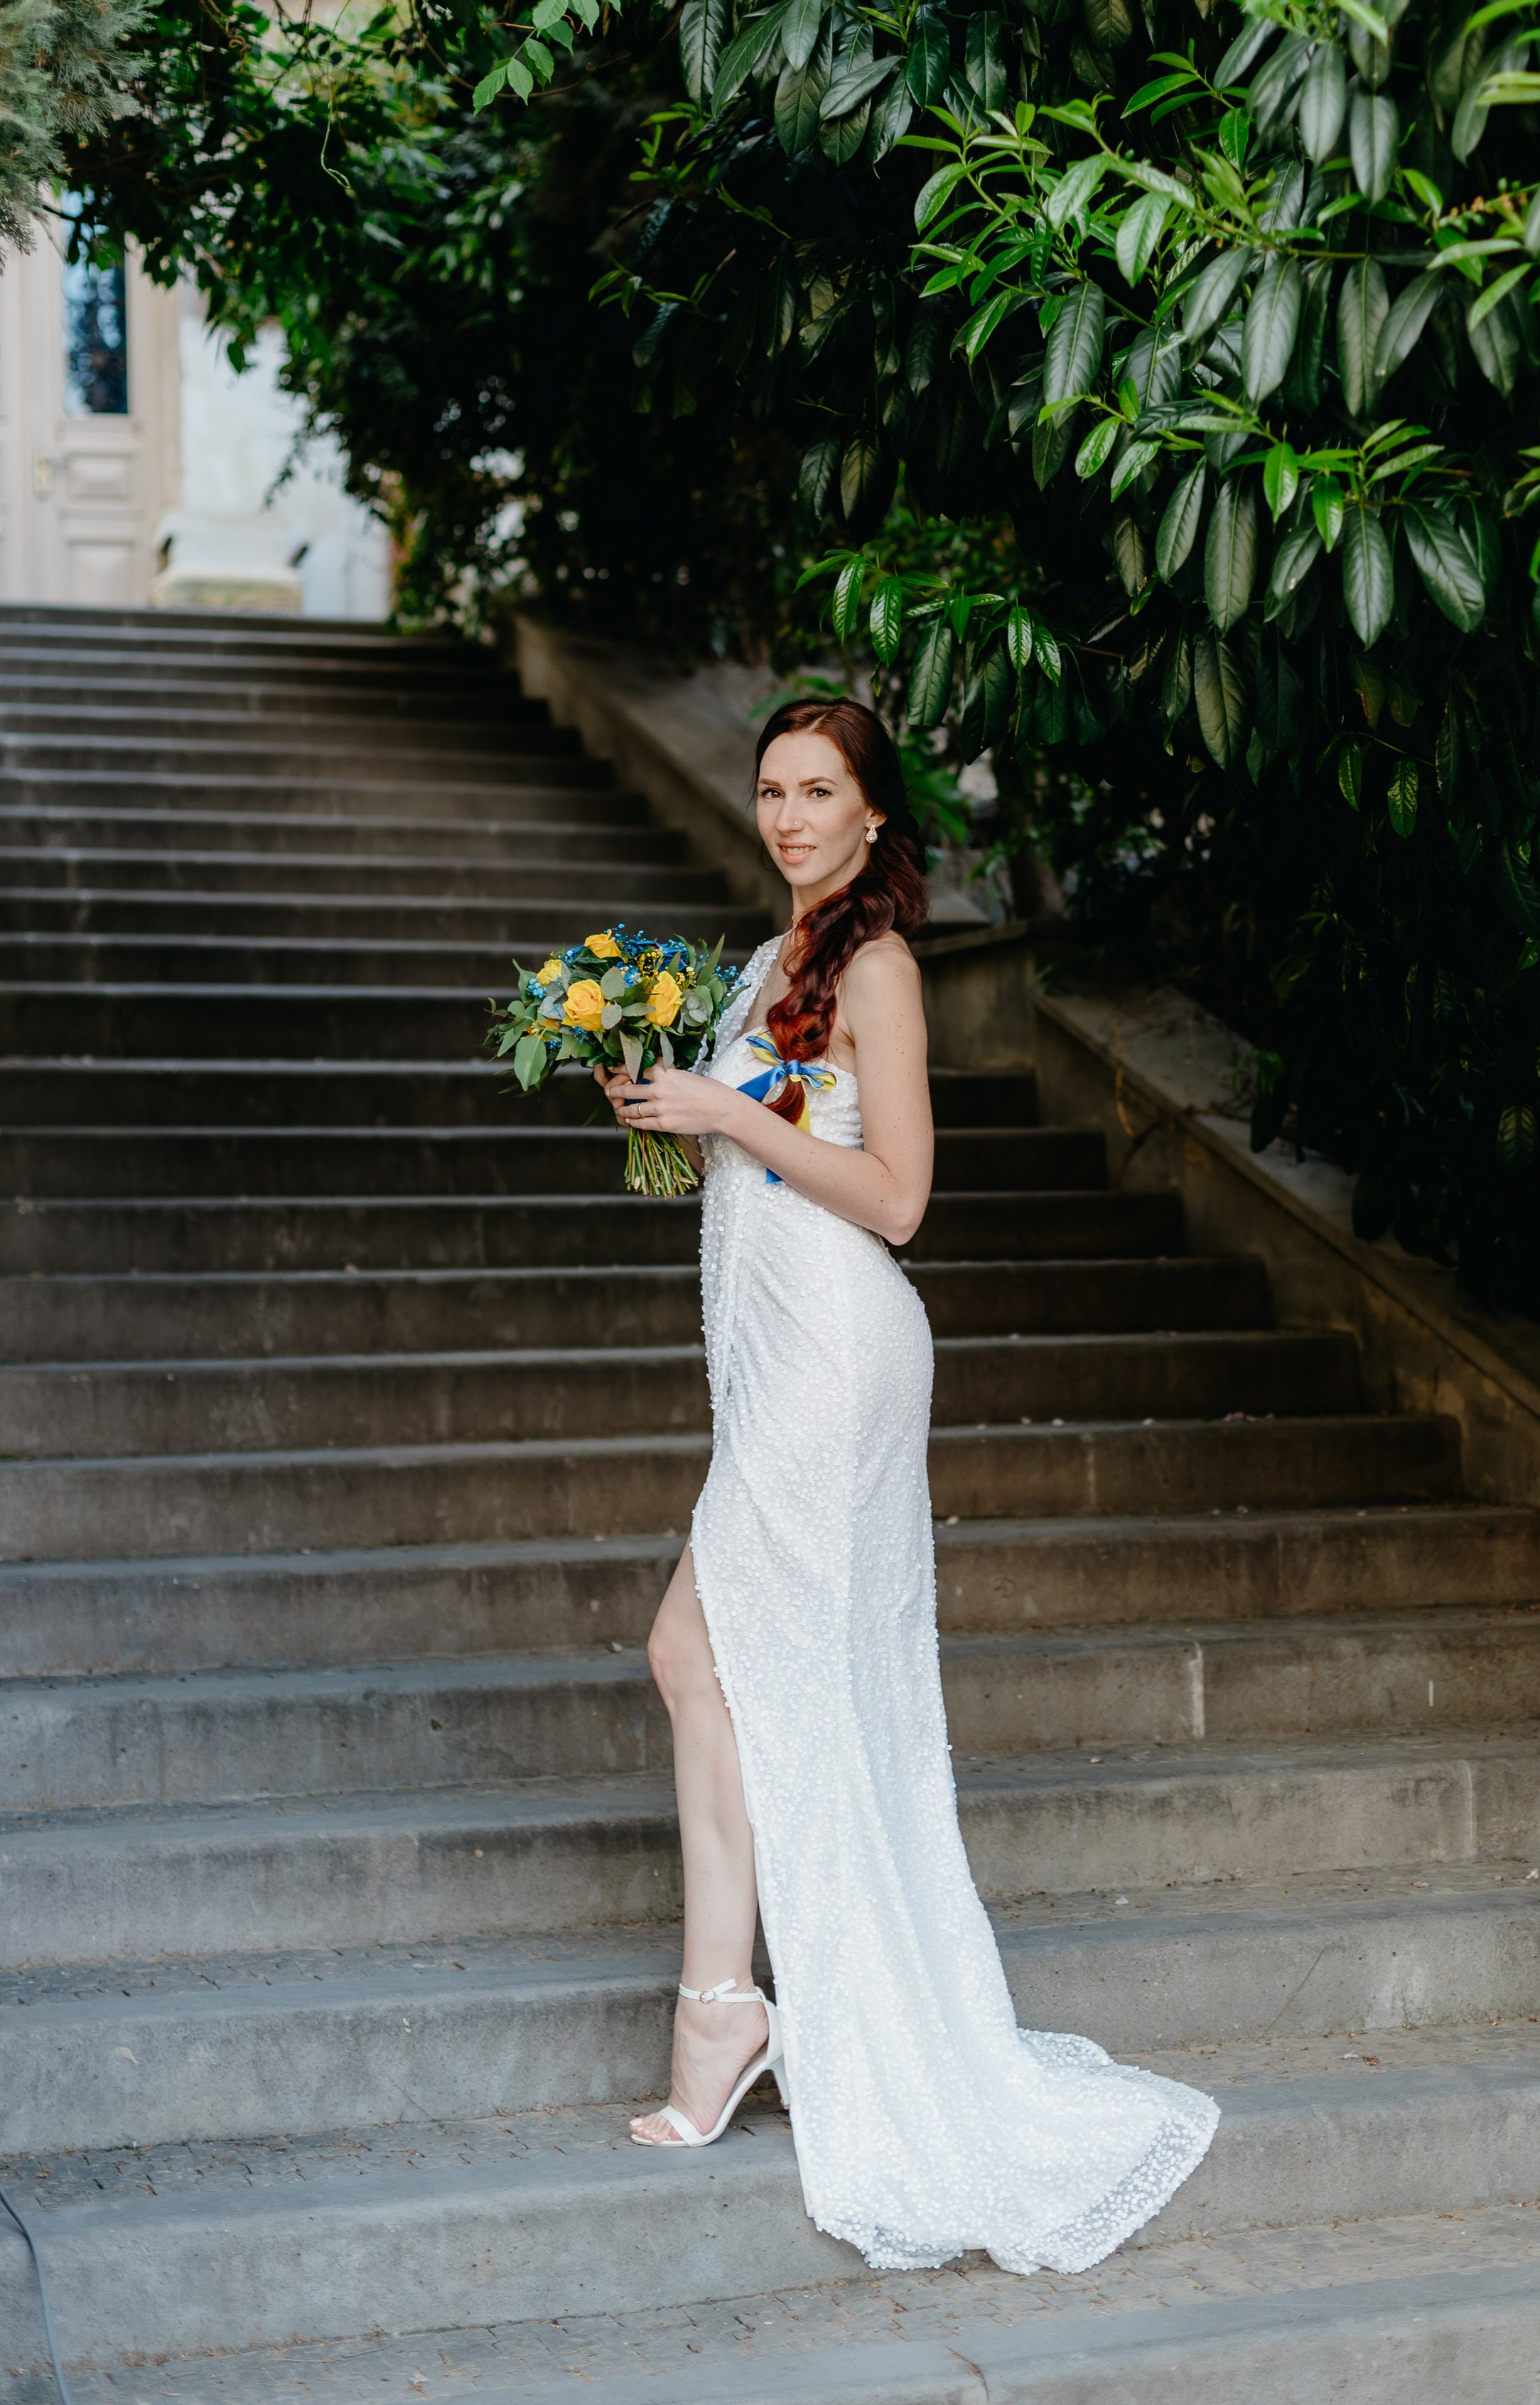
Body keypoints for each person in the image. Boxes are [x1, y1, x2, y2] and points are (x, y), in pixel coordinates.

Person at [598, 696, 1217, 2274]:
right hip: (772, 1353)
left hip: (839, 1351)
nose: (788, 816)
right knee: (714, 1663)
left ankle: (722, 2011)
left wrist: (725, 1110)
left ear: (874, 814)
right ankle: (728, 2008)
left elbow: (898, 1198)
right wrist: (672, 1117)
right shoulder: (770, 959)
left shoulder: (875, 967)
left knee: (695, 1650)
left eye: (820, 791)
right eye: (771, 789)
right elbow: (759, 1156)